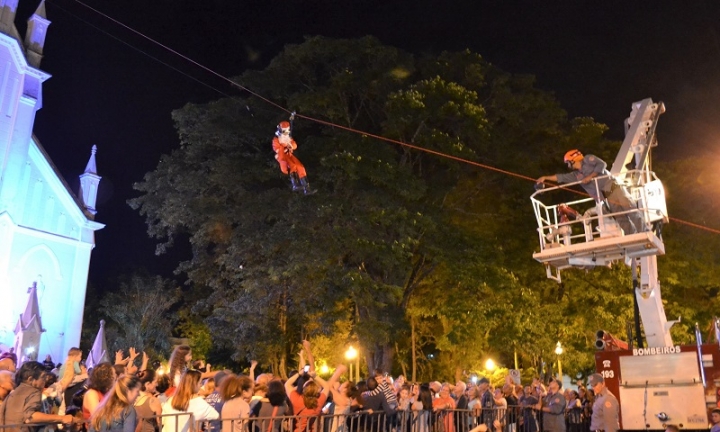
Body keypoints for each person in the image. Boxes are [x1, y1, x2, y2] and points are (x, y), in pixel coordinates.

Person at [536, 149, 643, 236]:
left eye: (568, 162)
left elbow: (602, 164)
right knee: (620, 218)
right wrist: (545, 178)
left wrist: (590, 177)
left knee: (631, 210)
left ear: (573, 159)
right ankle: (633, 236)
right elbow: (561, 177)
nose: (568, 165)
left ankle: (644, 231)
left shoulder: (588, 159)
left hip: (614, 188)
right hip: (606, 197)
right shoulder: (576, 175)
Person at [0, 361, 74, 431]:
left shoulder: (13, 394)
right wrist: (62, 418)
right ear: (31, 379)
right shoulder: (34, 391)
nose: (45, 380)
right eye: (43, 377)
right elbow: (30, 417)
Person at [272, 119, 316, 195]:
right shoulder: (276, 139)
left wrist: (290, 145)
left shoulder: (288, 137)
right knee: (292, 166)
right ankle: (295, 184)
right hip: (283, 157)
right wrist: (284, 145)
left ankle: (307, 188)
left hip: (289, 155)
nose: (286, 132)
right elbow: (277, 149)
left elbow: (294, 145)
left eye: (287, 130)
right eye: (284, 130)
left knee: (300, 167)